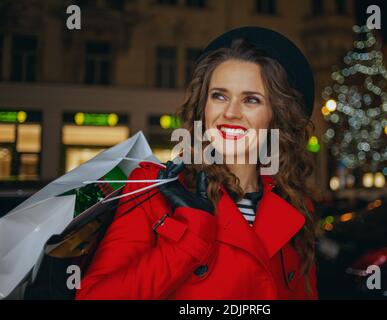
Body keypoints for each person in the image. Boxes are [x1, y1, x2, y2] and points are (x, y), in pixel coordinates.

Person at [75, 26, 319, 300]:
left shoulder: (293, 204)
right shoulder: (154, 189)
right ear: (203, 106)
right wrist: (190, 238)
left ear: (277, 116)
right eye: (219, 96)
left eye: (251, 99)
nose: (230, 112)